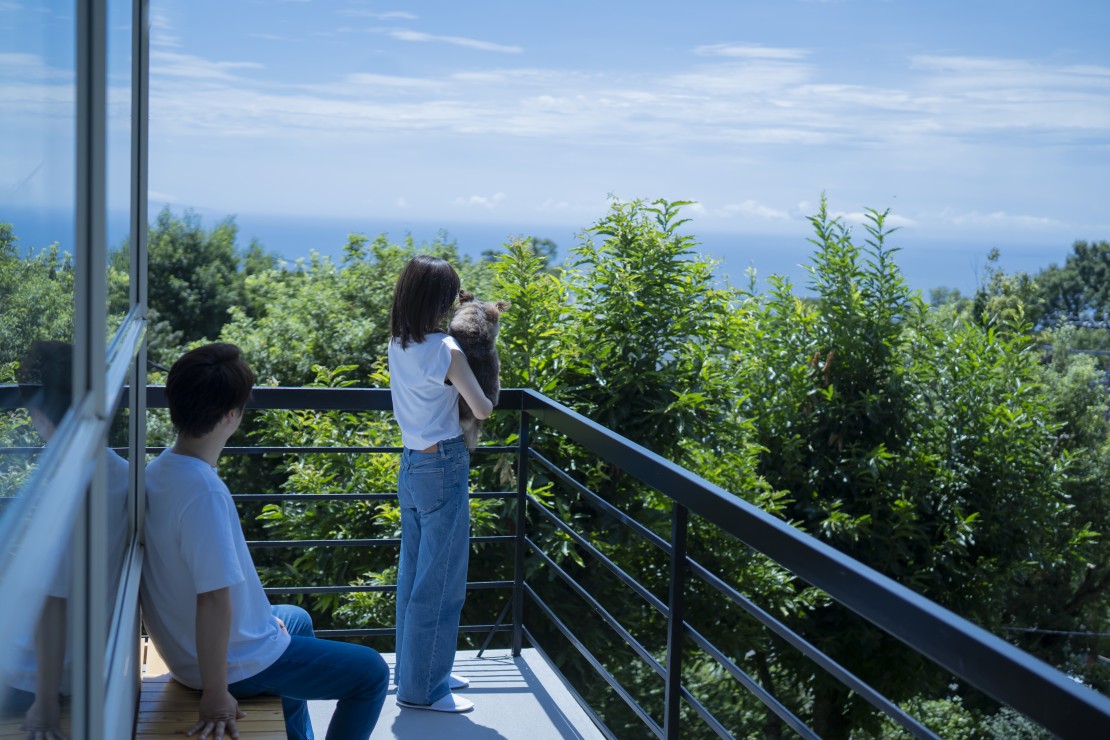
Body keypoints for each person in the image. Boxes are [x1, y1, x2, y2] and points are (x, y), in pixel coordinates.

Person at [140, 342, 388, 740]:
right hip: (229, 666)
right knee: (371, 673)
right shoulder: (203, 492)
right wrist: (217, 694)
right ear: (231, 415)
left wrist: (258, 622)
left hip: (188, 650)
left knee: (296, 619)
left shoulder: (158, 471)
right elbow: (214, 599)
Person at [3, 341, 129, 740]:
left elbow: (51, 604)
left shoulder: (65, 487)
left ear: (37, 413)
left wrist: (45, 704)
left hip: (35, 676)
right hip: (93, 659)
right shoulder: (120, 471)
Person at [388, 256, 493, 713]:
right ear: (439, 299)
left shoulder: (397, 342)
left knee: (414, 575)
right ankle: (424, 690)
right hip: (444, 466)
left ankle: (422, 670)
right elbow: (483, 407)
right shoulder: (446, 350)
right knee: (442, 581)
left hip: (411, 465)